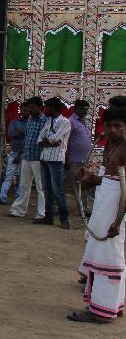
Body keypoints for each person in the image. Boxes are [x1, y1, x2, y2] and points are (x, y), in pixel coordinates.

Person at [68, 107, 126, 323]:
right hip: (106, 203)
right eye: (109, 125)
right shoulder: (110, 145)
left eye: (118, 126)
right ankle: (111, 305)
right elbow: (111, 179)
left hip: (116, 209)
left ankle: (102, 311)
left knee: (108, 256)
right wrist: (92, 178)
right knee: (100, 253)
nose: (112, 130)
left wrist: (117, 222)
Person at [36, 97, 72, 229]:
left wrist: (48, 141)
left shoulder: (65, 122)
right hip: (45, 157)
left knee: (58, 191)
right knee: (47, 190)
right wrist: (49, 142)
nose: (45, 110)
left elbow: (54, 139)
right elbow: (39, 139)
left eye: (47, 107)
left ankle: (64, 219)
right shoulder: (48, 121)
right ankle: (48, 217)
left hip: (56, 159)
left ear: (53, 108)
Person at [9, 97, 47, 220]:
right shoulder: (30, 120)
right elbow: (27, 140)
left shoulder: (45, 121)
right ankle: (18, 210)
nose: (30, 110)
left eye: (32, 107)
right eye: (29, 107)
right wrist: (20, 155)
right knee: (24, 185)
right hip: (26, 157)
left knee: (40, 187)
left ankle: (41, 213)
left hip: (38, 158)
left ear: (40, 108)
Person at [65, 99, 93, 213]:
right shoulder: (70, 122)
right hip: (73, 160)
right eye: (82, 109)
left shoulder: (84, 122)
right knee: (71, 184)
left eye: (86, 109)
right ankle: (55, 206)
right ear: (75, 108)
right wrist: (66, 158)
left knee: (82, 184)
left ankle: (83, 208)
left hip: (83, 160)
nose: (84, 111)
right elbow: (65, 141)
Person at [0, 112, 27, 205]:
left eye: (26, 110)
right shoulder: (15, 122)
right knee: (9, 176)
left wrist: (20, 134)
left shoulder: (31, 123)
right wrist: (21, 134)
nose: (24, 112)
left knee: (21, 178)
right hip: (15, 152)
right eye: (22, 110)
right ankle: (2, 198)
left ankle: (17, 199)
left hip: (24, 154)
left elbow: (27, 139)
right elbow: (11, 134)